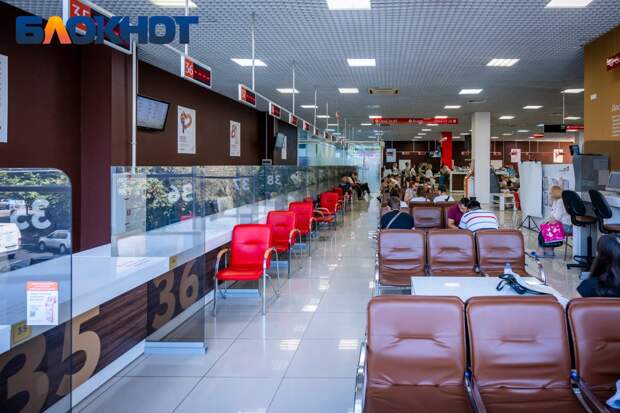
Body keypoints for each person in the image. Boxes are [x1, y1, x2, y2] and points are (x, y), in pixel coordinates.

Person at [535, 185, 572, 257]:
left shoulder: (560, 201)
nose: (549, 194)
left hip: (566, 226)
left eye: (550, 192)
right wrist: (546, 221)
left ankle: (541, 251)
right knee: (545, 228)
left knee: (543, 231)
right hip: (561, 224)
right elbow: (552, 214)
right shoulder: (556, 201)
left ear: (555, 192)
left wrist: (548, 222)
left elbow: (557, 217)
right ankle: (549, 251)